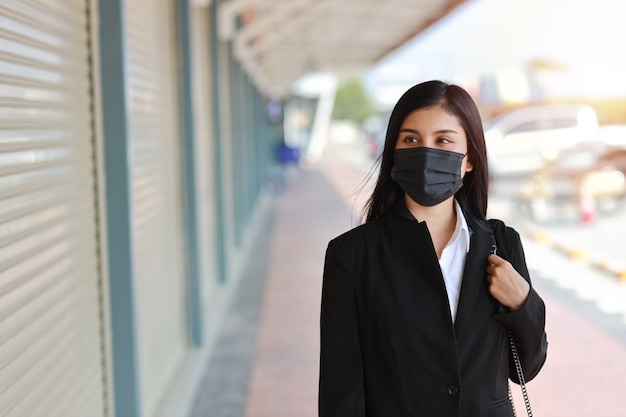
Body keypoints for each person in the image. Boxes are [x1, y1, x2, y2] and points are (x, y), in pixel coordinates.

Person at [319, 80, 547, 417]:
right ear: (395, 152)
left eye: (443, 140)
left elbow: (526, 368)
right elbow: (341, 390)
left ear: (469, 159)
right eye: (411, 139)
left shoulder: (502, 242)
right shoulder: (353, 256)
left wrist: (522, 302)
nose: (426, 152)